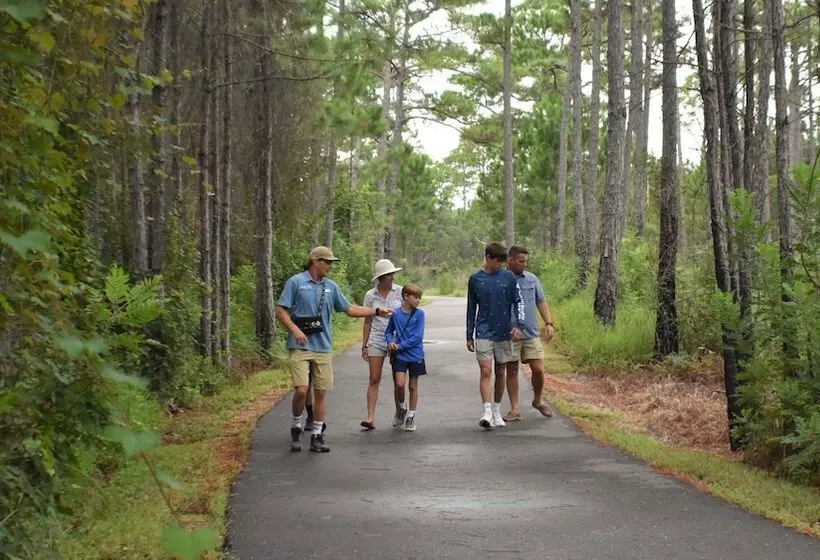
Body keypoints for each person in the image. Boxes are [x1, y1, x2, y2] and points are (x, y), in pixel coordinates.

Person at [275, 246, 393, 453]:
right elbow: (281, 310)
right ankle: (296, 426)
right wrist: (294, 329)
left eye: (331, 262)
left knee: (320, 391)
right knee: (302, 389)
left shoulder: (331, 286)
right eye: (327, 262)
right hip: (300, 346)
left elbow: (349, 309)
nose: (330, 266)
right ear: (315, 261)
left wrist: (375, 311)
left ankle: (317, 436)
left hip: (323, 346)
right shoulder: (296, 282)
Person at [466, 242, 525, 430]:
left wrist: (518, 325)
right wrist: (469, 334)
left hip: (504, 331)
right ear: (488, 258)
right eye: (497, 261)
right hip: (483, 330)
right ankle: (487, 411)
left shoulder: (509, 278)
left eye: (502, 262)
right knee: (485, 370)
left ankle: (498, 410)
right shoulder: (475, 279)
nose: (500, 265)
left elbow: (519, 302)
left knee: (501, 371)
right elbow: (471, 307)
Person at [501, 245, 556, 421]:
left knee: (538, 368)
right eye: (521, 261)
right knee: (512, 369)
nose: (525, 264)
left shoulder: (531, 279)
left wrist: (549, 323)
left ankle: (538, 400)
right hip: (509, 334)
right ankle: (515, 409)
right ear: (510, 260)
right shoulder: (500, 279)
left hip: (530, 332)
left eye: (526, 261)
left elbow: (541, 301)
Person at [360, 259, 404, 430]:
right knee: (374, 378)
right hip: (377, 338)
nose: (391, 277)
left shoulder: (400, 292)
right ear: (381, 277)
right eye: (388, 275)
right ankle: (370, 417)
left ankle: (400, 410)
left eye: (392, 274)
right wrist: (364, 345)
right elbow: (366, 321)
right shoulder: (370, 296)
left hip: (395, 339)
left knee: (398, 380)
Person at [385, 283, 426, 432]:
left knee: (413, 386)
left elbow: (418, 336)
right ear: (405, 297)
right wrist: (390, 341)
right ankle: (402, 407)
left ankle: (411, 416)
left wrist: (400, 345)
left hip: (415, 354)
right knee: (400, 384)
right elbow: (389, 331)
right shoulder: (396, 314)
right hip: (400, 356)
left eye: (419, 297)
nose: (417, 300)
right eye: (415, 297)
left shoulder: (420, 314)